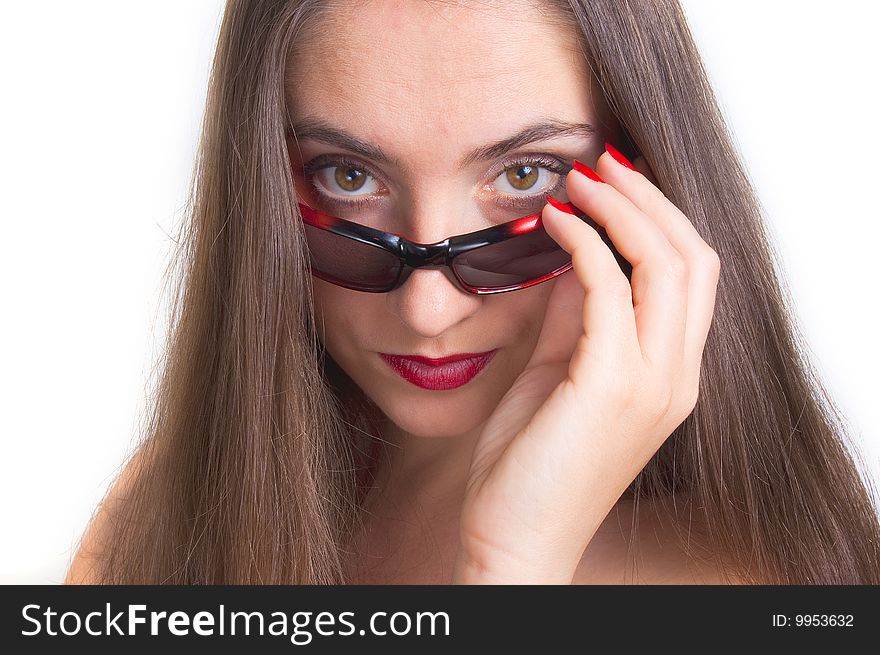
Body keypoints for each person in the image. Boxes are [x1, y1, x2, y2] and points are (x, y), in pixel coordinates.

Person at [66, 0, 880, 585]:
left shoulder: (761, 583)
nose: (428, 310)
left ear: (647, 188)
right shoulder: (178, 500)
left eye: (525, 175)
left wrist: (511, 569)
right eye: (347, 176)